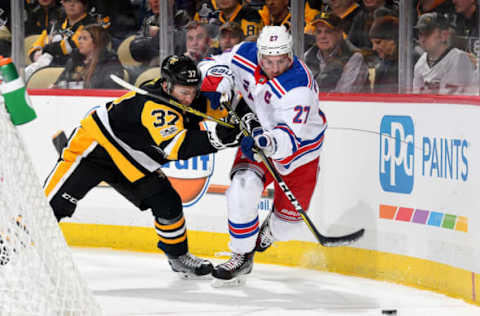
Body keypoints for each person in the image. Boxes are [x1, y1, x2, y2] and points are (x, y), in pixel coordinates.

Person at [43, 55, 242, 278]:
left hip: (133, 160)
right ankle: (10, 245)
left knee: (168, 204)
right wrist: (218, 139)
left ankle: (178, 257)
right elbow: (176, 146)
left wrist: (246, 121)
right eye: (184, 92)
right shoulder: (155, 106)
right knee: (51, 206)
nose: (189, 97)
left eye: (193, 91)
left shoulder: (190, 97)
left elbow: (225, 109)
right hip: (95, 149)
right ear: (166, 85)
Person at [198, 25, 327, 284]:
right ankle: (242, 256)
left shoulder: (298, 88)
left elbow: (290, 138)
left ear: (290, 55)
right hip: (258, 134)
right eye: (268, 61)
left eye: (281, 61)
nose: (275, 67)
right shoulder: (245, 53)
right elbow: (212, 62)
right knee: (241, 188)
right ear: (260, 54)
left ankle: (270, 228)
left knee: (287, 227)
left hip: (299, 154)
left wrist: (267, 141)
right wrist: (217, 80)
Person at [304, 12, 369, 93]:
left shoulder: (354, 57)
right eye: (318, 32)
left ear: (340, 33)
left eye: (328, 31)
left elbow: (344, 95)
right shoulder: (307, 55)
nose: (322, 36)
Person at [413, 12, 476, 95]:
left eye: (427, 34)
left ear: (444, 35)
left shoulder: (459, 58)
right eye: (420, 34)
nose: (422, 39)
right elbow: (416, 99)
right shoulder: (420, 63)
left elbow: (454, 101)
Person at [28, 0, 100, 66]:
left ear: (84, 5)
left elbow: (70, 47)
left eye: (76, 1)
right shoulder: (56, 23)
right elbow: (35, 47)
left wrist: (46, 49)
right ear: (63, 3)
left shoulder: (90, 24)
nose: (72, 4)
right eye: (68, 1)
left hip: (76, 68)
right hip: (48, 67)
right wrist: (36, 55)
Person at [53, 24, 124, 89]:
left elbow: (110, 91)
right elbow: (59, 83)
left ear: (97, 42)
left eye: (84, 39)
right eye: (79, 38)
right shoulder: (74, 60)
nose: (80, 42)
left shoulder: (110, 63)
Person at [369, 15, 399, 93]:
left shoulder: (410, 62)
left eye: (378, 42)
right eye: (372, 43)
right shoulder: (383, 64)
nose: (374, 48)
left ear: (393, 40)